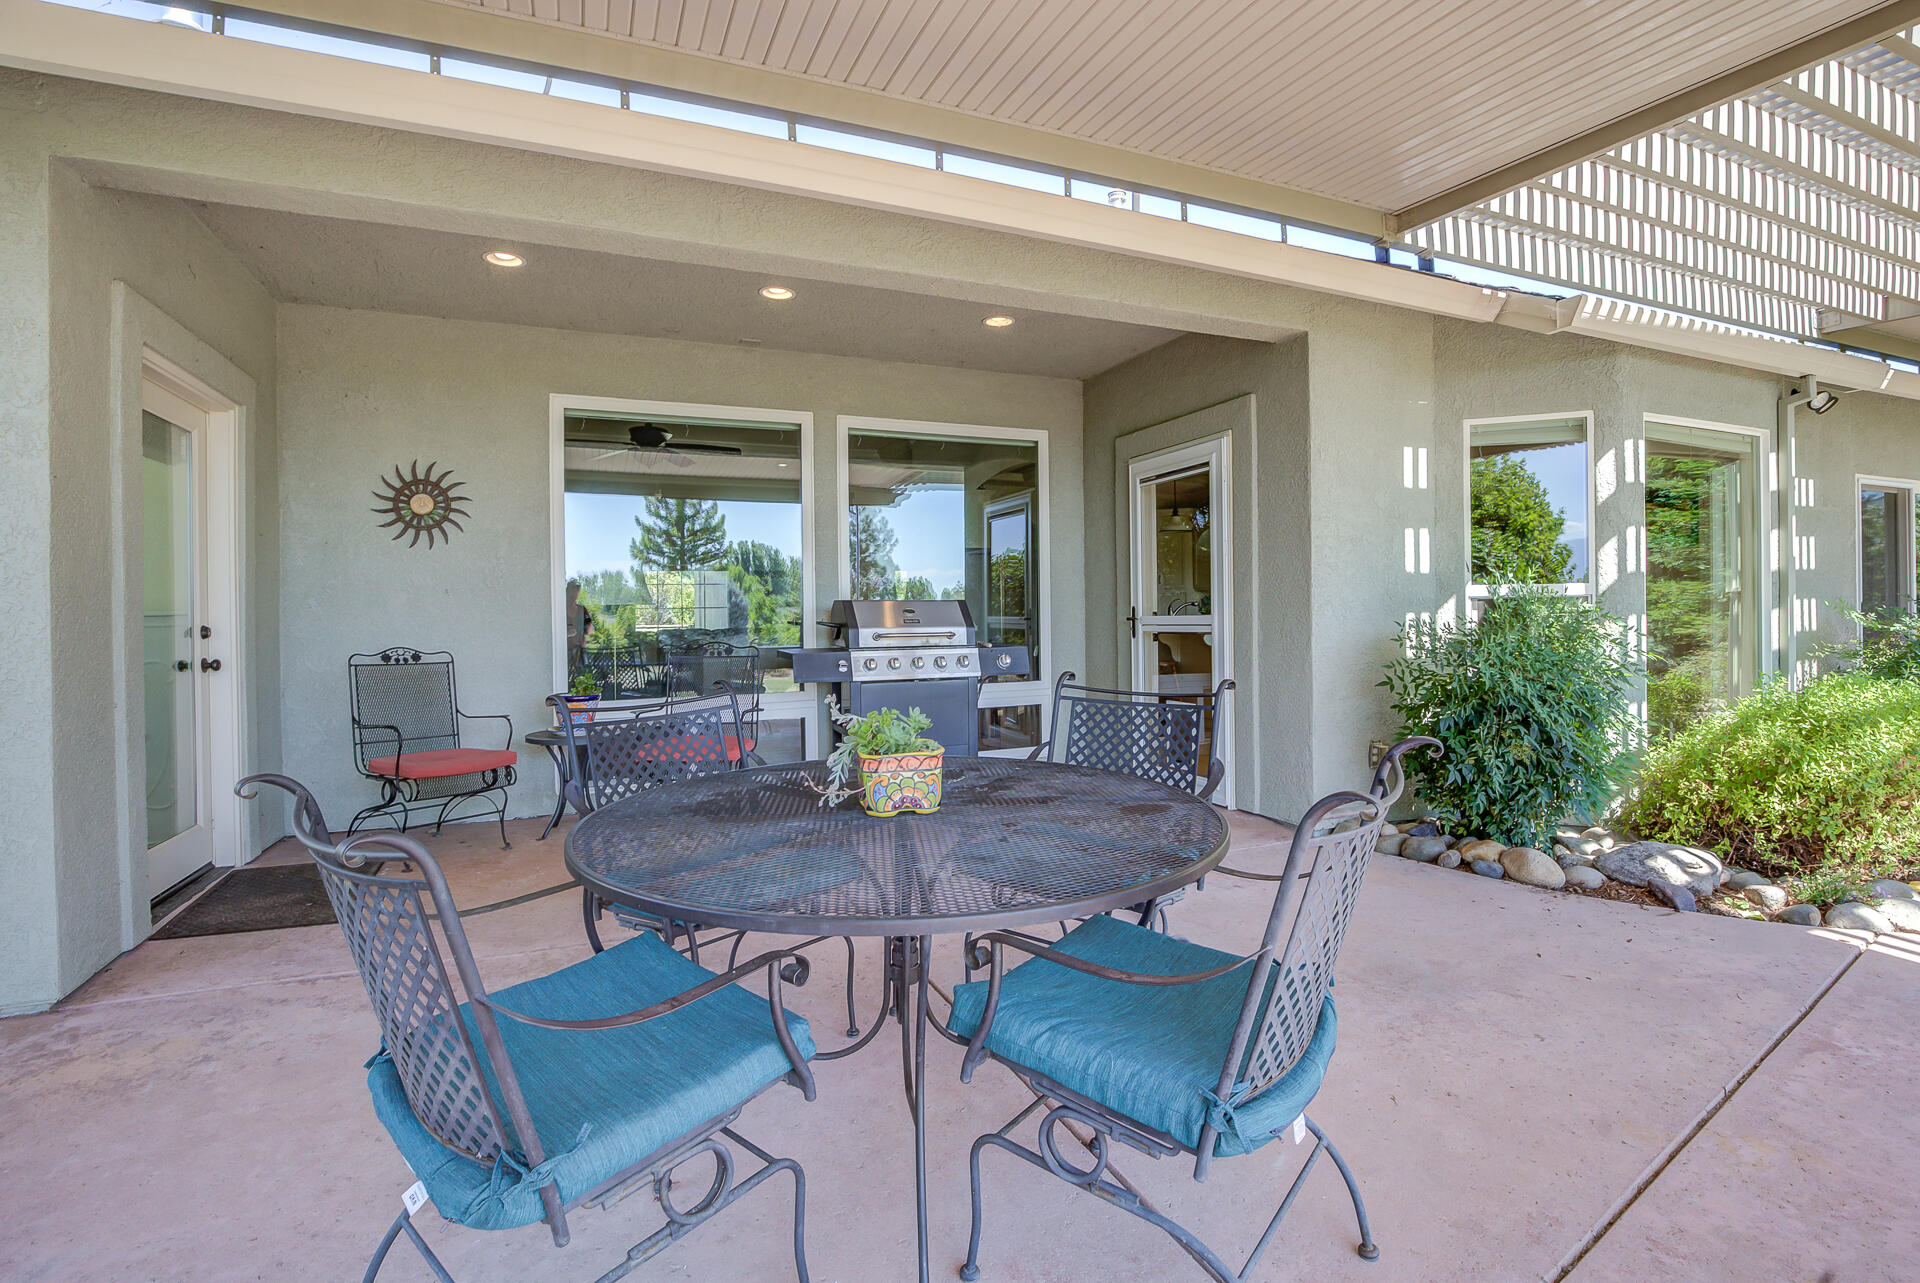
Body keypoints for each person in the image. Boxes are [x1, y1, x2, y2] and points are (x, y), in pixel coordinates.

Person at [565, 579, 593, 674]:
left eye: (577, 591)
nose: (575, 593)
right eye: (572, 590)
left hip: (580, 652)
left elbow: (590, 629)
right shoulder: (560, 609)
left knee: (582, 677)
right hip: (564, 652)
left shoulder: (582, 610)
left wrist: (584, 629)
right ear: (567, 591)